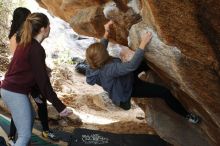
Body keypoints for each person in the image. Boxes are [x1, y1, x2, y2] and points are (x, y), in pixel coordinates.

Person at [86, 21, 200, 124]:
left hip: (124, 79)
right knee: (164, 92)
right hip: (129, 88)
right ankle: (187, 115)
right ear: (104, 56)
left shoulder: (92, 62)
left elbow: (100, 48)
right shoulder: (110, 69)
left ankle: (155, 76)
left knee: (144, 63)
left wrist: (106, 31)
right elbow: (132, 66)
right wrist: (143, 44)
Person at [0, 12, 73, 146]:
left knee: (31, 116)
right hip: (14, 92)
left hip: (10, 90)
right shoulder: (35, 49)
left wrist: (38, 93)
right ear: (42, 29)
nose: (50, 28)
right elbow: (43, 81)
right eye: (49, 25)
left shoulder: (27, 44)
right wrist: (60, 106)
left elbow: (28, 74)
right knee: (24, 135)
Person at [7, 7, 59, 145]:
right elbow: (20, 60)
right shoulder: (18, 36)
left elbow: (33, 59)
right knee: (19, 111)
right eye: (29, 17)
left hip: (28, 79)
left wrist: (44, 68)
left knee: (38, 106)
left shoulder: (29, 38)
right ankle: (12, 136)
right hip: (22, 80)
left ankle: (44, 131)